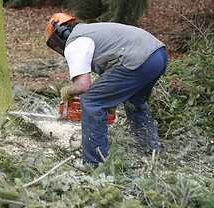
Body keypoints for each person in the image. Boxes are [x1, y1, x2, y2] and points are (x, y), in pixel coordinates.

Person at [46, 13, 168, 167]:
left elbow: (83, 86)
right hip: (158, 54)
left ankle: (95, 163)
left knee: (91, 102)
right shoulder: (93, 32)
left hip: (138, 60)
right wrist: (111, 100)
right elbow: (113, 73)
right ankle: (151, 150)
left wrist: (68, 92)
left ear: (60, 34)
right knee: (135, 101)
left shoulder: (75, 42)